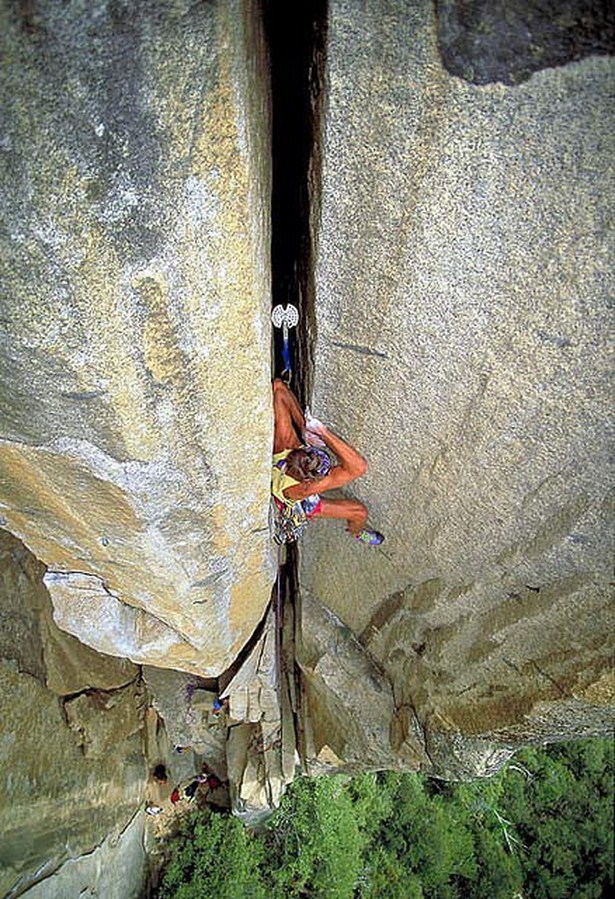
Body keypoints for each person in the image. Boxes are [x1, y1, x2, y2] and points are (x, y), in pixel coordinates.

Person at [272, 379, 384, 545]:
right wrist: (322, 432)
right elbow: (358, 467)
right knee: (359, 512)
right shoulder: (305, 488)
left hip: (286, 475)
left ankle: (357, 531)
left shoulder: (285, 444)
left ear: (301, 449)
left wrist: (303, 427)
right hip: (296, 502)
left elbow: (278, 387)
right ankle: (357, 533)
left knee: (358, 512)